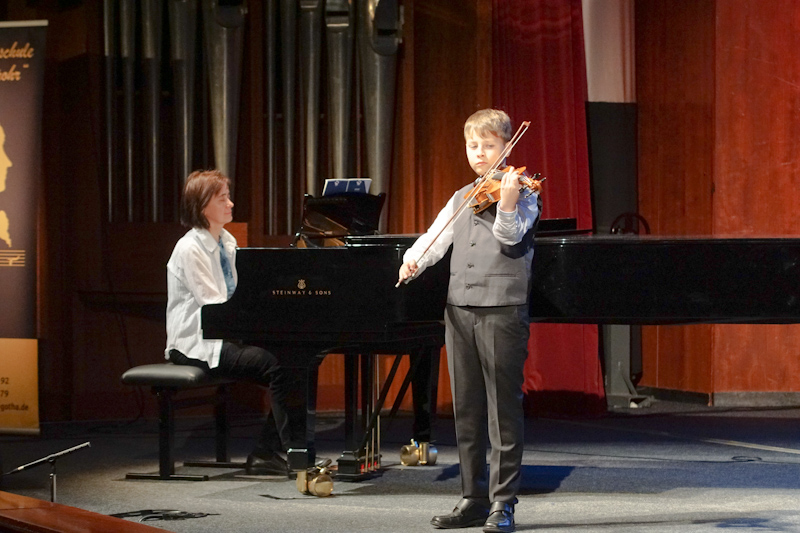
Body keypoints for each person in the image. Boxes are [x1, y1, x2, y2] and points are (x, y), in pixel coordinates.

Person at [398, 109, 541, 533]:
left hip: (502, 309)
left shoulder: (524, 193)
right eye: (472, 145)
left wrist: (508, 204)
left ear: (506, 147)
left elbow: (509, 236)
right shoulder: (462, 195)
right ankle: (473, 497)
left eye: (489, 145)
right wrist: (413, 261)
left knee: (502, 410)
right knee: (467, 409)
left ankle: (503, 502)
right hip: (459, 309)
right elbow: (436, 236)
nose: (479, 153)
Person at [165, 169, 293, 476]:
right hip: (197, 344)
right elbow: (215, 306)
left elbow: (241, 294)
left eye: (228, 197)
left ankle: (269, 452)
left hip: (225, 336)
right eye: (223, 198)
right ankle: (287, 453)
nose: (231, 204)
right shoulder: (190, 248)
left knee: (297, 362)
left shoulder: (227, 241)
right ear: (202, 205)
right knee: (278, 366)